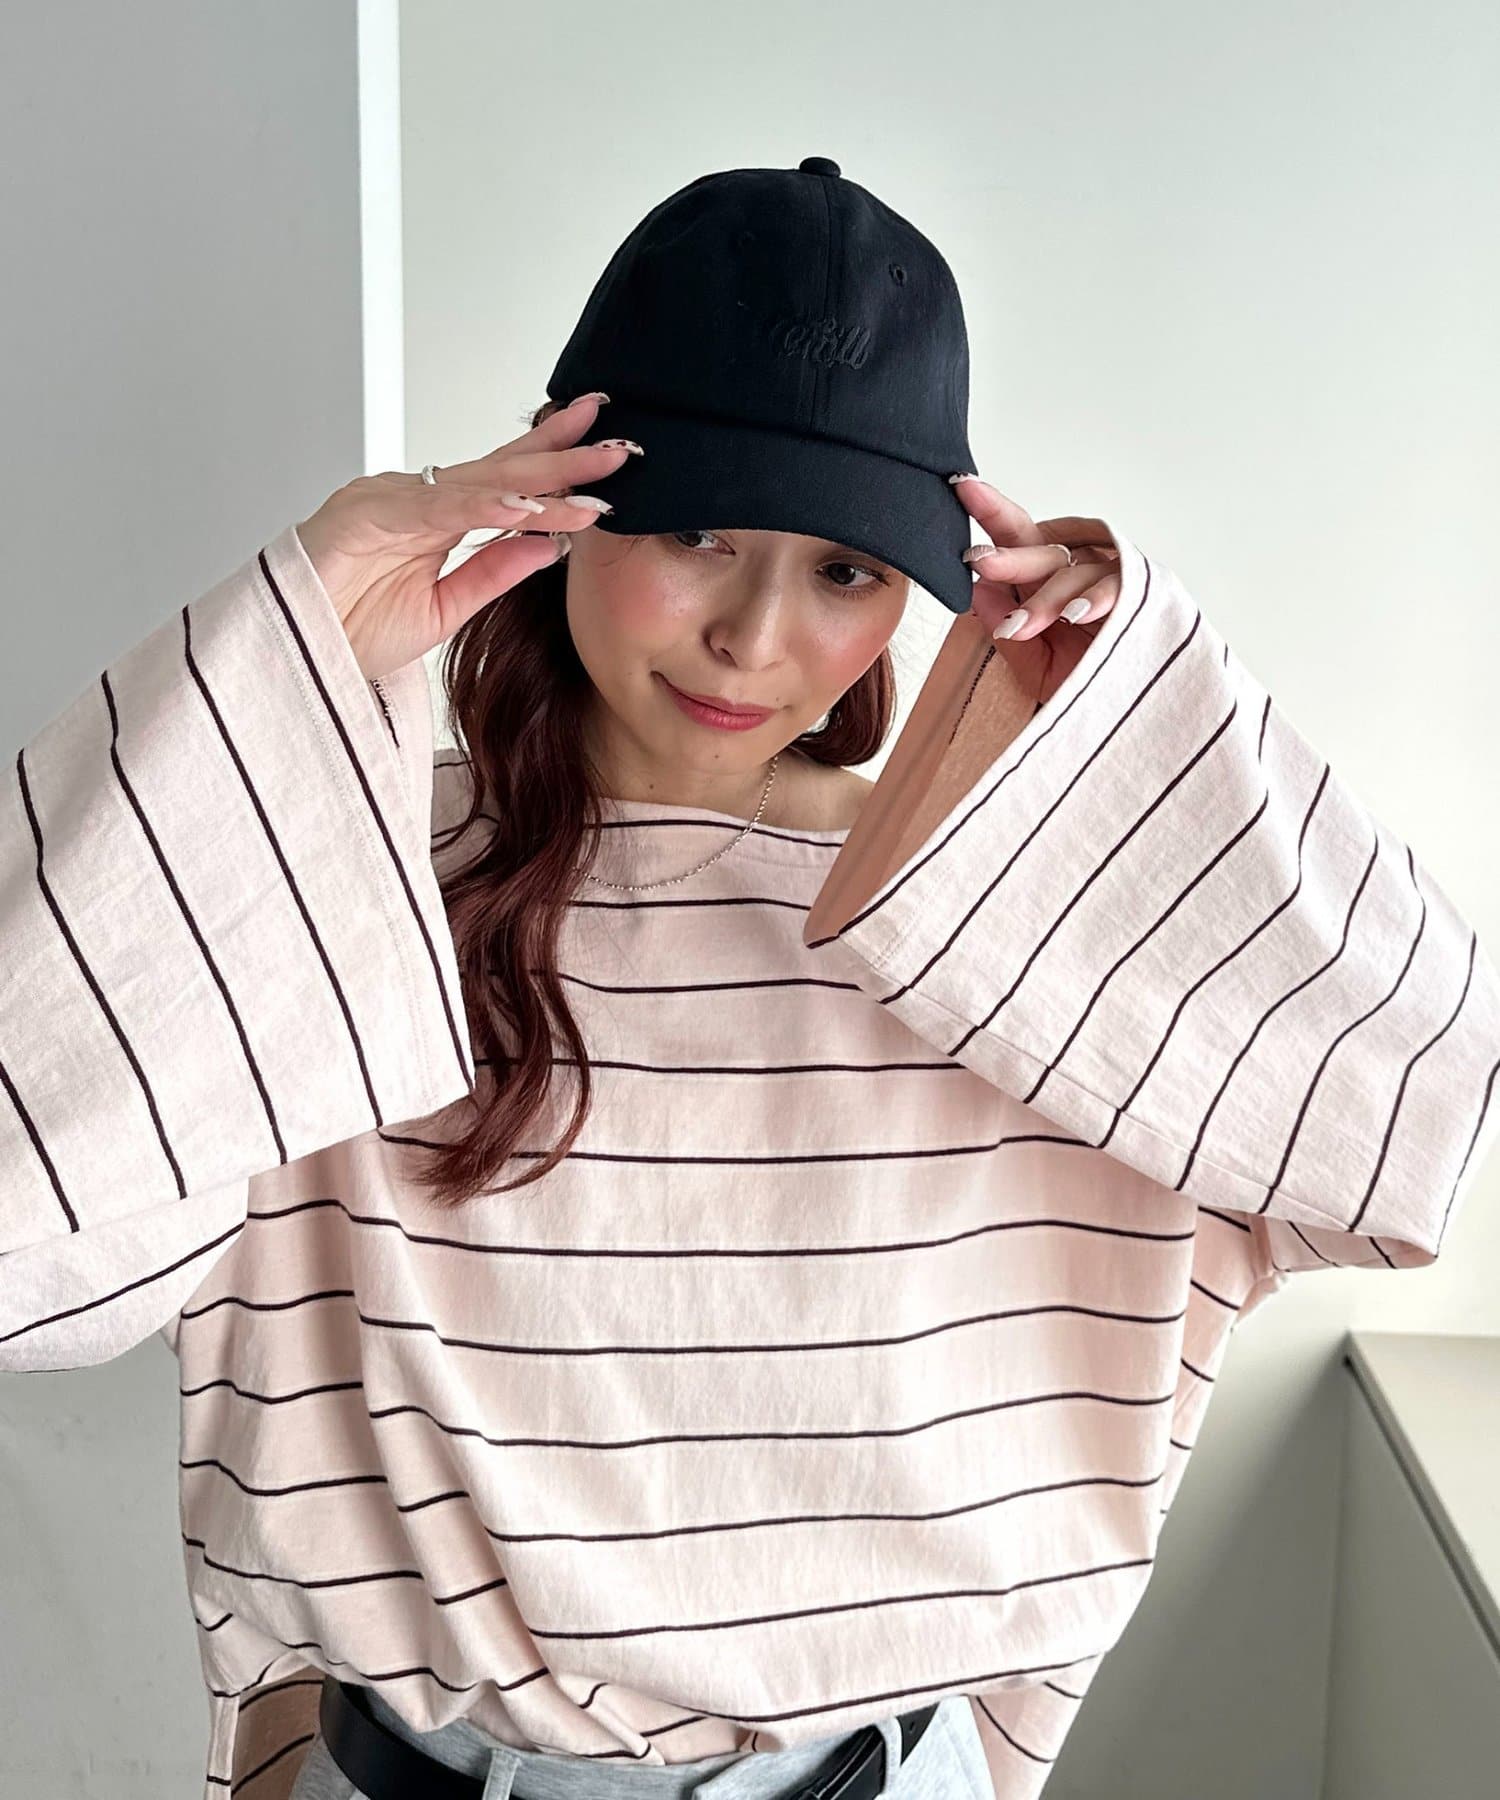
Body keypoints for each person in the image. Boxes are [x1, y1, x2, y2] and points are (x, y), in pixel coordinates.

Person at [4, 159, 1496, 1800]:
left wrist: (1149, 727)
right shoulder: (327, 866)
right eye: (696, 531)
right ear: (553, 495)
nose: (755, 636)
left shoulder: (1014, 935)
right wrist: (291, 636)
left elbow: (1415, 1115)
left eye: (846, 570)